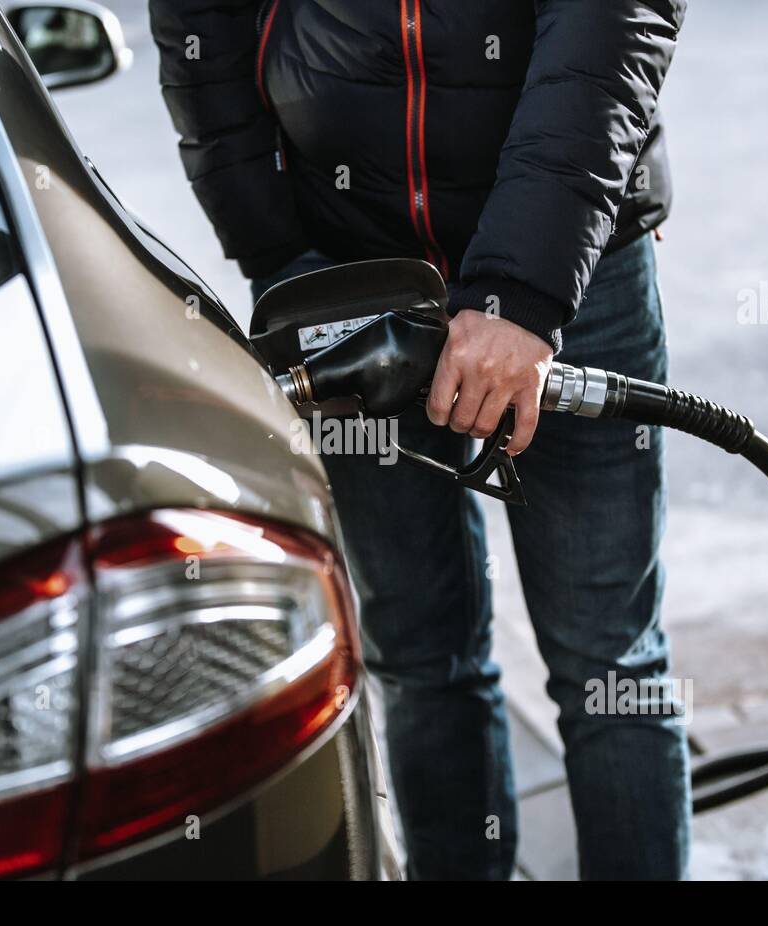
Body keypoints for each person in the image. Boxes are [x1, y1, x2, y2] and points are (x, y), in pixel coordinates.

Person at [150, 0, 689, 880]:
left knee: (609, 664)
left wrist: (523, 288)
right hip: (349, 264)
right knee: (419, 656)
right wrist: (279, 255)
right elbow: (195, 22)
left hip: (573, 275)